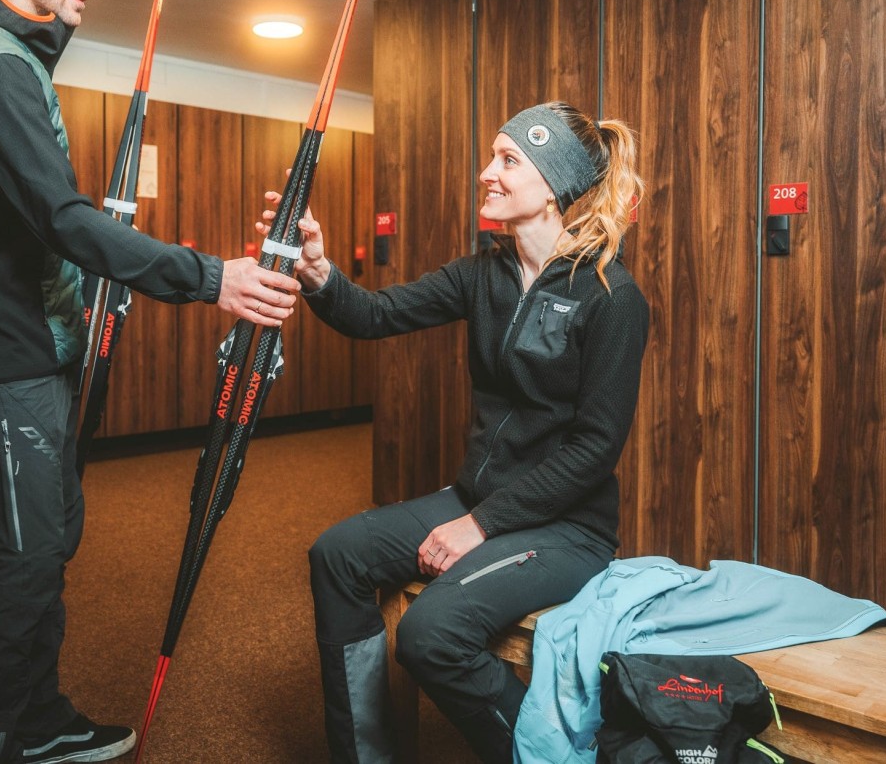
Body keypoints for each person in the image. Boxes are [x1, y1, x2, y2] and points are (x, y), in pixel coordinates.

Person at [0, 0, 300, 764]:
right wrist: (212, 278)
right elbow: (60, 217)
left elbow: (36, 221)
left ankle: (35, 715)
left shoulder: (10, 53)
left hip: (31, 342)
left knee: (50, 538)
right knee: (24, 550)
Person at [258, 102, 649, 763]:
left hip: (565, 529)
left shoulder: (610, 296)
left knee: (430, 635)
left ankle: (554, 755)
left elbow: (594, 449)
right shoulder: (481, 274)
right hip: (479, 501)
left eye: (507, 161)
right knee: (338, 553)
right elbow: (375, 315)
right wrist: (319, 271)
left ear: (552, 185)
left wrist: (481, 524)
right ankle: (367, 754)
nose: (485, 173)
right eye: (491, 157)